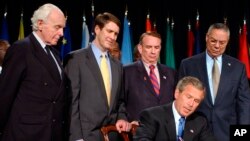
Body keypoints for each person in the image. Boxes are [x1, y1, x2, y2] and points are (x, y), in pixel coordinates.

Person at [0, 3, 69, 141]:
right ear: (40, 24)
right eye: (57, 27)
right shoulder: (21, 49)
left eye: (63, 28)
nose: (62, 33)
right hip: (26, 134)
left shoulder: (54, 54)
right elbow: (4, 95)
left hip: (52, 134)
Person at [64, 12, 131, 141]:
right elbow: (71, 102)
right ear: (97, 29)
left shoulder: (117, 65)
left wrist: (122, 117)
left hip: (112, 135)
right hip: (85, 136)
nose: (112, 37)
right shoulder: (76, 59)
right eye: (109, 31)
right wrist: (76, 137)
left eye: (116, 34)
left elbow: (120, 101)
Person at [178, 23, 250, 141]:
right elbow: (180, 99)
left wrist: (242, 135)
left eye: (222, 43)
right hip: (195, 131)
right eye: (213, 41)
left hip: (227, 132)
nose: (217, 46)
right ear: (207, 37)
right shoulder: (188, 64)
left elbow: (244, 103)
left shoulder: (238, 67)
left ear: (228, 41)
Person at [134, 76, 217, 141]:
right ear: (177, 94)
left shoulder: (200, 120)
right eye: (188, 97)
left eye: (196, 101)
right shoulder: (152, 116)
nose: (191, 104)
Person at [124, 32, 176, 125]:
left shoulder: (171, 73)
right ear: (140, 48)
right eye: (149, 47)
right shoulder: (127, 72)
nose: (153, 51)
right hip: (138, 130)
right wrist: (125, 120)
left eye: (156, 47)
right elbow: (120, 102)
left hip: (165, 130)